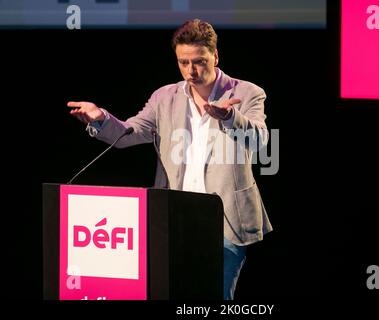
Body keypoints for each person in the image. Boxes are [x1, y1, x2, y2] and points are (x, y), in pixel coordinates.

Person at [67, 19, 272, 300]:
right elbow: (130, 133)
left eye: (199, 61)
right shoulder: (165, 97)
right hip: (175, 218)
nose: (191, 71)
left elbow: (260, 140)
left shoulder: (247, 93)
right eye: (183, 62)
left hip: (226, 221)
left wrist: (230, 117)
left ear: (216, 56)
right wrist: (101, 119)